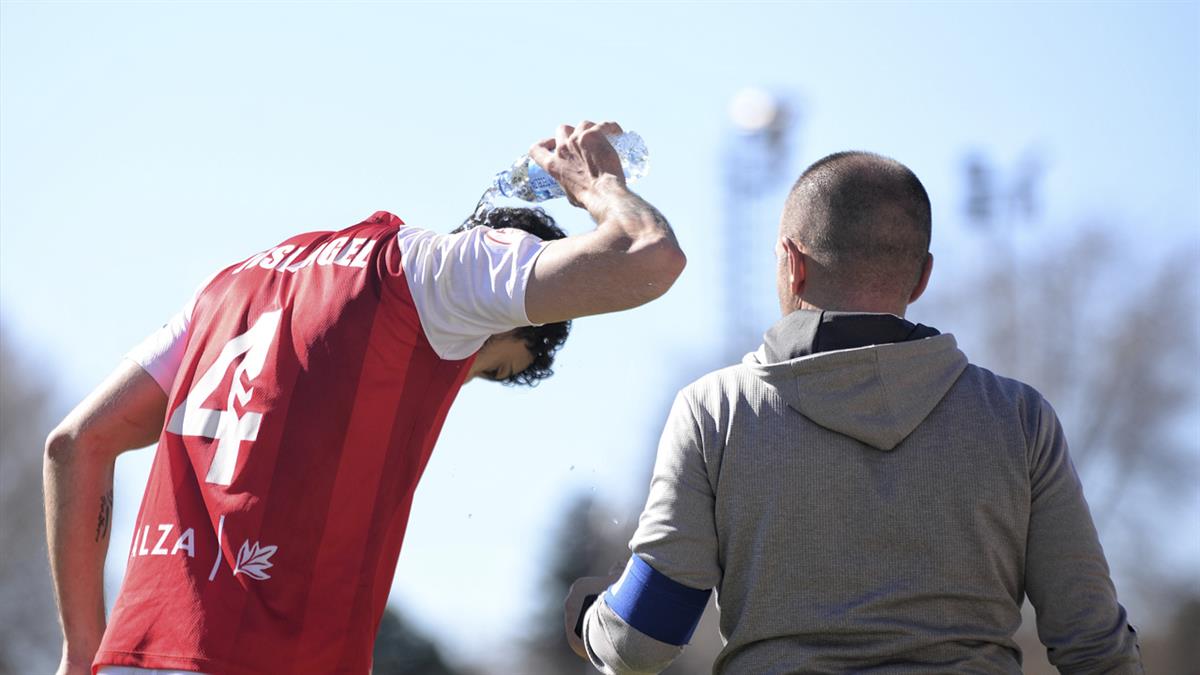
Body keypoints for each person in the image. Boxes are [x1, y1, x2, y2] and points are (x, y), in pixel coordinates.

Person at [44, 120, 685, 675]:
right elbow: (647, 257)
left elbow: (76, 444)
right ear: (505, 314)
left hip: (131, 655)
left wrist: (80, 650)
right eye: (486, 371)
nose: (450, 386)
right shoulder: (442, 276)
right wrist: (597, 186)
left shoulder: (231, 285)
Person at [565, 151, 1143, 673]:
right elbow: (1095, 645)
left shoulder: (717, 411)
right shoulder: (1018, 419)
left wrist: (593, 616)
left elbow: (643, 636)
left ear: (792, 264)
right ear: (921, 277)